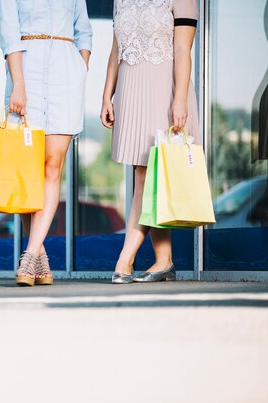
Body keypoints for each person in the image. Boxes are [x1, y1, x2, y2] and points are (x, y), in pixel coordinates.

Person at [100, 0, 200, 284]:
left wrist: (180, 99)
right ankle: (164, 260)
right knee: (145, 175)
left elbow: (183, 50)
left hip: (164, 90)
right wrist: (107, 94)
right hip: (131, 90)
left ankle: (125, 259)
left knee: (146, 175)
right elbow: (116, 49)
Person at [0, 0, 92, 286]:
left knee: (52, 166)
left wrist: (80, 69)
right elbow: (9, 33)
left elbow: (84, 31)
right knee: (29, 172)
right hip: (26, 74)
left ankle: (29, 256)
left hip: (66, 75)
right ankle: (39, 256)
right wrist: (18, 84)